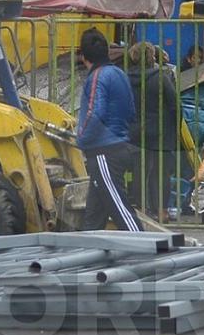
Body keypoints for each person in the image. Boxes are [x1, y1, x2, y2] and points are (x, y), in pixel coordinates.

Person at [76, 29, 142, 232]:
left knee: (120, 208)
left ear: (83, 56)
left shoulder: (97, 77)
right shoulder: (119, 74)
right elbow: (131, 111)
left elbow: (95, 114)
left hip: (103, 152)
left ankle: (148, 249)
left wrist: (80, 138)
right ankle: (86, 254)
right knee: (94, 215)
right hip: (119, 145)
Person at [126, 42, 179, 219]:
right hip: (160, 134)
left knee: (139, 171)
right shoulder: (161, 78)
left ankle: (140, 209)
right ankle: (161, 211)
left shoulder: (126, 79)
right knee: (161, 173)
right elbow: (174, 105)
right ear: (152, 57)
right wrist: (174, 129)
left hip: (135, 133)